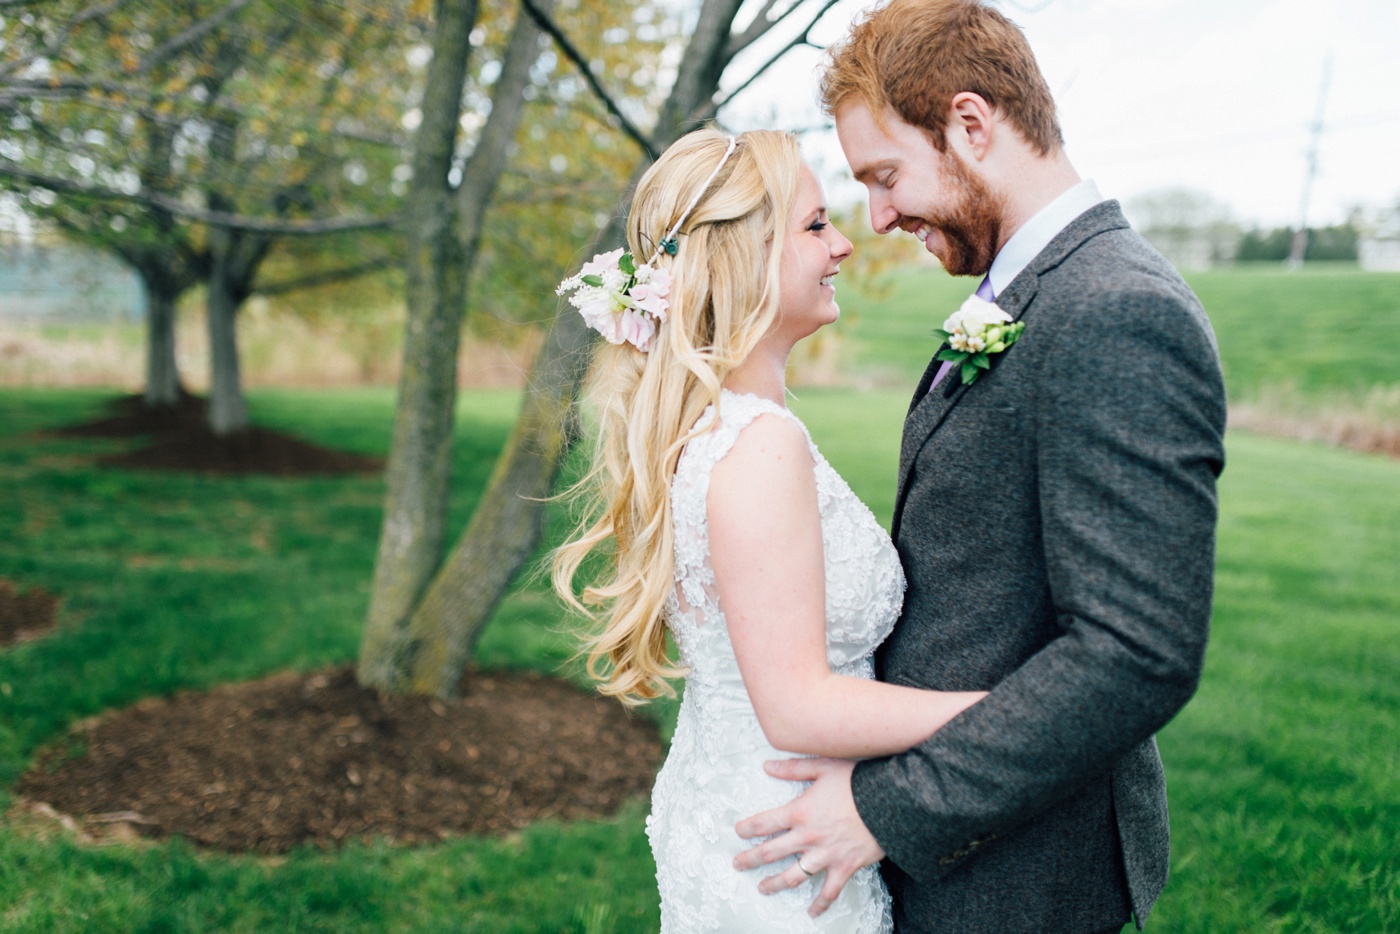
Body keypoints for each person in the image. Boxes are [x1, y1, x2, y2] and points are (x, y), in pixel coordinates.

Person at [731, 2, 1228, 932]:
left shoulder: (1118, 311)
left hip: (1017, 870)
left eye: (885, 176)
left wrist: (890, 808)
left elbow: (1136, 655)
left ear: (970, 124)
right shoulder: (1030, 290)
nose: (876, 218)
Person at [553, 127, 989, 932]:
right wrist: (1004, 714)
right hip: (785, 846)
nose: (846, 246)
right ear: (742, 254)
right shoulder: (759, 445)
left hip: (745, 810)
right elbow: (797, 707)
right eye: (816, 225)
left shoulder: (725, 427)